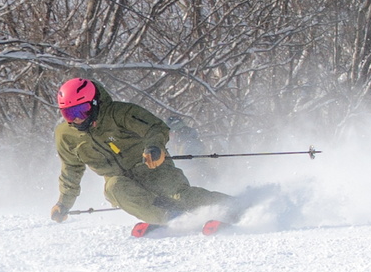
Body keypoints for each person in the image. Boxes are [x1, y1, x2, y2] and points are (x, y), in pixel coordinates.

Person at [50, 77, 233, 227]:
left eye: (82, 111)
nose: (76, 120)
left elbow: (155, 127)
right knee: (114, 187)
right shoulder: (66, 135)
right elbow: (71, 170)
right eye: (68, 114)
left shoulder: (121, 113)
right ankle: (174, 220)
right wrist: (63, 204)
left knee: (179, 196)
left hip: (153, 167)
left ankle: (234, 207)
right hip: (124, 183)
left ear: (95, 103)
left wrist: (154, 147)